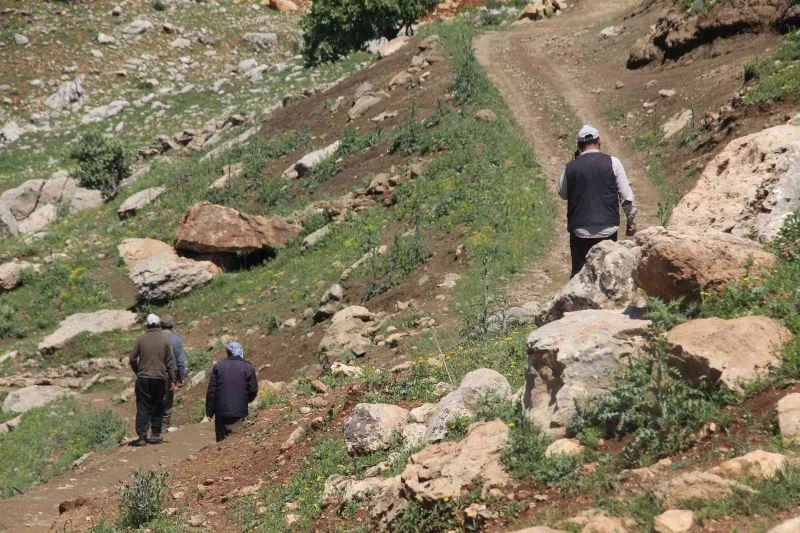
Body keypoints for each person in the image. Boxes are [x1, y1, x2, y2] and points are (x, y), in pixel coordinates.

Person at [558, 125, 637, 277]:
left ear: (579, 146)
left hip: (580, 230)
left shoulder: (570, 167)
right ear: (599, 141)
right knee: (608, 272)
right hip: (608, 228)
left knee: (579, 274)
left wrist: (574, 166)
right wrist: (631, 221)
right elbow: (627, 197)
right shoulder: (614, 162)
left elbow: (563, 193)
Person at [129, 314, 176, 446]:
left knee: (143, 406)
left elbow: (132, 358)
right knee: (158, 406)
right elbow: (169, 362)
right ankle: (155, 434)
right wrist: (172, 378)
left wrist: (138, 371)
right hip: (160, 378)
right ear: (159, 325)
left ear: (147, 325)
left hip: (143, 378)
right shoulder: (165, 340)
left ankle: (142, 436)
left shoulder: (140, 339)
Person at [205, 341, 258, 442]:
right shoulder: (248, 368)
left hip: (221, 412)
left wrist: (209, 411)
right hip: (240, 411)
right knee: (237, 441)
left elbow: (212, 391)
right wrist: (245, 401)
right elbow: (253, 390)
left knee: (221, 442)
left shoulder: (218, 367)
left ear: (227, 352)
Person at [156, 314, 187, 436]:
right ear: (172, 325)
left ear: (160, 325)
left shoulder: (156, 338)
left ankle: (155, 426)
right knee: (168, 400)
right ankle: (164, 425)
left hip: (156, 372)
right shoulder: (176, 339)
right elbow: (180, 360)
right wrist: (181, 376)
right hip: (170, 374)